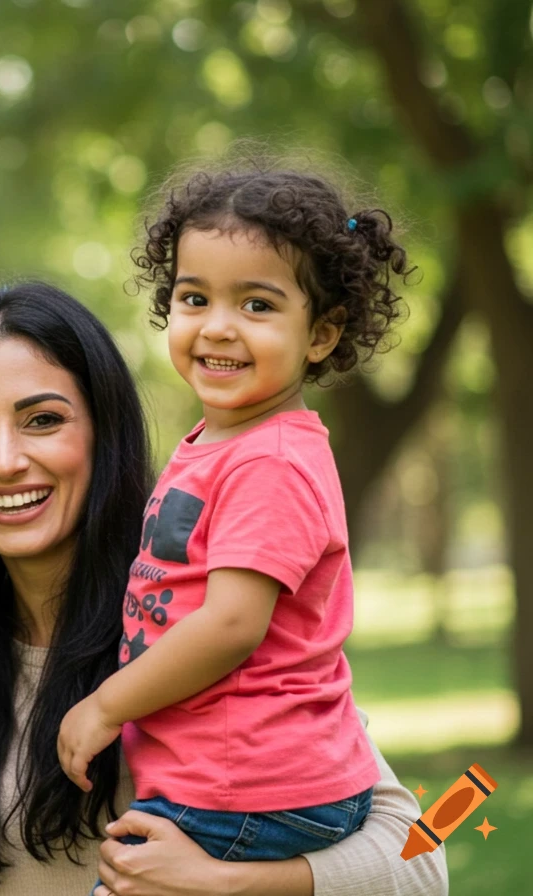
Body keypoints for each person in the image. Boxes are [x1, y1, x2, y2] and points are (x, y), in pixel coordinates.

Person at [0, 282, 447, 895]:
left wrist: (223, 884)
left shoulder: (196, 613)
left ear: (105, 431)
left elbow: (421, 859)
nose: (4, 460)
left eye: (43, 420)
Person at [58, 166, 410, 865]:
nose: (218, 327)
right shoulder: (223, 445)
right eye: (195, 298)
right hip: (229, 776)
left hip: (249, 786)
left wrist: (105, 705)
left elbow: (230, 625)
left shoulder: (269, 461)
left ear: (321, 334)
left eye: (256, 305)